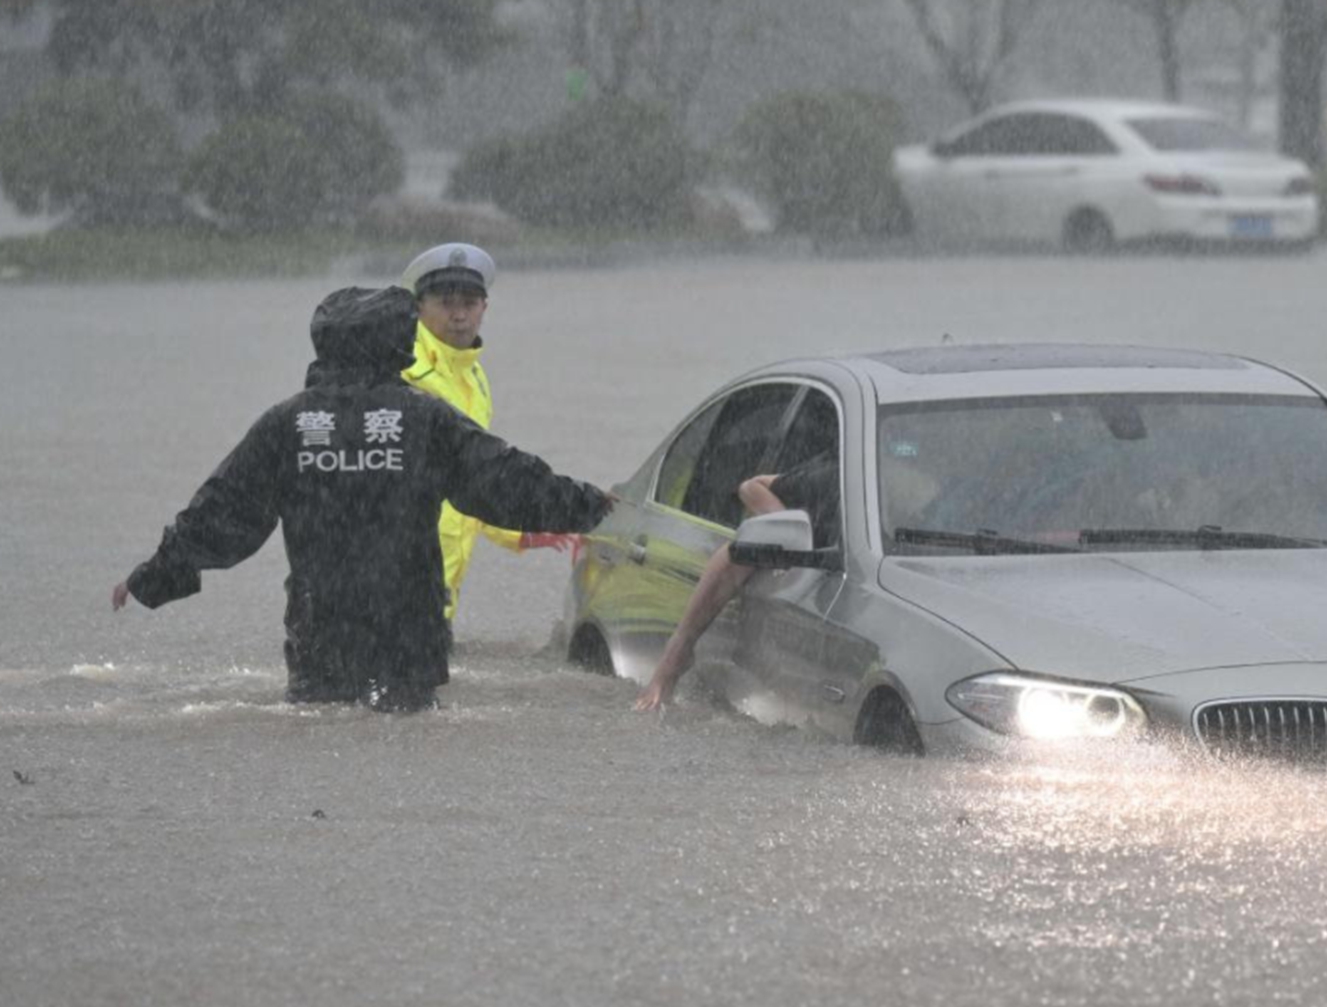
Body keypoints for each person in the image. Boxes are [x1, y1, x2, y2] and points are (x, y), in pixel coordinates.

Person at [111, 286, 613, 712]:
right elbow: (508, 481)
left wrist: (154, 574)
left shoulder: (287, 424)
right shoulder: (424, 420)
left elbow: (223, 511)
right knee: (406, 743)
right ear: (399, 344)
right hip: (409, 631)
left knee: (323, 733)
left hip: (320, 632)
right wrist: (597, 509)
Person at [398, 243, 574, 626]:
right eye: (446, 303)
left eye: (470, 303)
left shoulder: (474, 378)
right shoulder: (401, 369)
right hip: (398, 574)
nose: (459, 315)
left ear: (485, 308)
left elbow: (477, 476)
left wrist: (520, 530)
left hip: (441, 584)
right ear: (418, 307)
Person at [633, 453, 838, 712]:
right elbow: (752, 486)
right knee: (739, 552)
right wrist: (783, 525)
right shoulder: (836, 476)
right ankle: (676, 655)